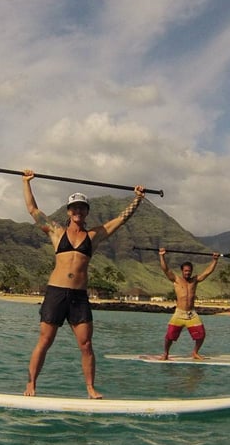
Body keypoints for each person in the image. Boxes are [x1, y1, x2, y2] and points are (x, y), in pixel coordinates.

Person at [22, 169, 146, 398]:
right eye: (74, 207)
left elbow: (120, 219)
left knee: (86, 344)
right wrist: (26, 182)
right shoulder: (57, 232)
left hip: (78, 297)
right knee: (45, 340)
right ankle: (31, 384)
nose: (78, 211)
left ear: (86, 212)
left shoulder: (93, 236)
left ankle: (90, 388)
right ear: (69, 212)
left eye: (82, 207)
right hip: (56, 293)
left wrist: (137, 199)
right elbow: (33, 210)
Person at [158, 248, 219, 360]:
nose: (188, 272)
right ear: (182, 271)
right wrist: (162, 256)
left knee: (201, 334)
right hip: (179, 313)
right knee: (169, 336)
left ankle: (195, 352)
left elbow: (207, 272)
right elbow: (165, 269)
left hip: (191, 314)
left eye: (189, 271)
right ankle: (166, 353)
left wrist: (214, 260)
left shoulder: (194, 280)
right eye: (186, 271)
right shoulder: (176, 279)